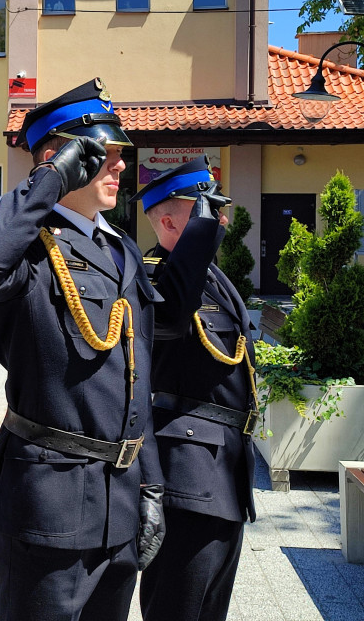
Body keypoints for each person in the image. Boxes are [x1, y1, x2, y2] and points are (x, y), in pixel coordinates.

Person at [0, 78, 165, 621]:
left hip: (121, 501)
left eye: (120, 155)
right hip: (48, 503)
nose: (120, 166)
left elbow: (138, 378)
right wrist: (45, 184)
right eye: (102, 156)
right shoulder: (28, 243)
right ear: (61, 160)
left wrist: (150, 481)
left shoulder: (122, 248)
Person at [135, 157, 257, 621]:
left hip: (225, 470)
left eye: (218, 209)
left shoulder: (211, 277)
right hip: (186, 473)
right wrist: (196, 242)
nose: (219, 219)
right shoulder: (152, 274)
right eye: (204, 209)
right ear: (167, 221)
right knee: (177, 609)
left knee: (209, 609)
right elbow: (166, 319)